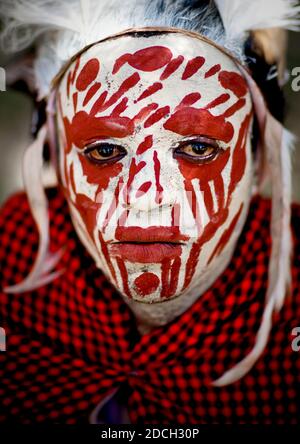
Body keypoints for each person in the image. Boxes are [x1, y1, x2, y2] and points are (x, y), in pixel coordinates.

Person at [0, 0, 299, 424]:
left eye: (198, 148)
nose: (146, 197)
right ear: (58, 164)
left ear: (259, 166)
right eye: (104, 151)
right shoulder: (10, 269)